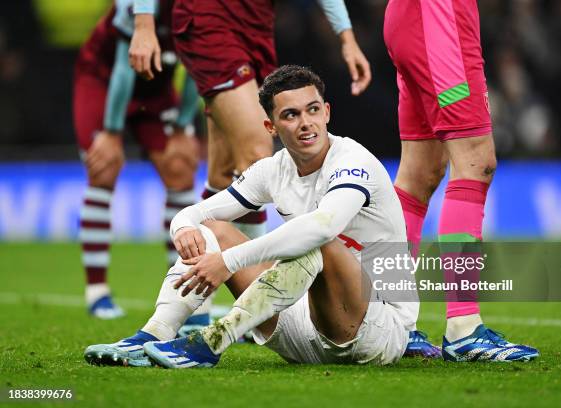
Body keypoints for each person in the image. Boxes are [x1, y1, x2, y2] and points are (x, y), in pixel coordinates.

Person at [84, 65, 459, 368]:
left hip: (376, 330)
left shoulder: (353, 161)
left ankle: (213, 341)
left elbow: (323, 226)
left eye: (313, 110)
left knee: (318, 240)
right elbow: (199, 212)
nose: (306, 123)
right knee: (214, 230)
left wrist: (228, 262)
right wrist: (182, 225)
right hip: (299, 328)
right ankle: (153, 335)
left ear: (327, 112)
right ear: (271, 126)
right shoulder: (273, 169)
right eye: (290, 115)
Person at [128, 0, 372, 240]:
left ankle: (184, 274)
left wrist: (347, 38)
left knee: (223, 178)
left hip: (258, 27)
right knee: (256, 153)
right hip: (208, 20)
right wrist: (143, 24)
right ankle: (259, 277)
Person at [383, 0, 539, 360]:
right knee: (475, 161)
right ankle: (463, 327)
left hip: (416, 22)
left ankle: (392, 321)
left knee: (419, 175)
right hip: (441, 26)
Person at [74, 0, 201, 319]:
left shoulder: (204, 8)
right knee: (104, 164)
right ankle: (97, 291)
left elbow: (197, 71)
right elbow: (123, 65)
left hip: (154, 90)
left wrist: (183, 125)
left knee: (180, 167)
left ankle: (182, 288)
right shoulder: (137, 5)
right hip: (102, 82)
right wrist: (112, 132)